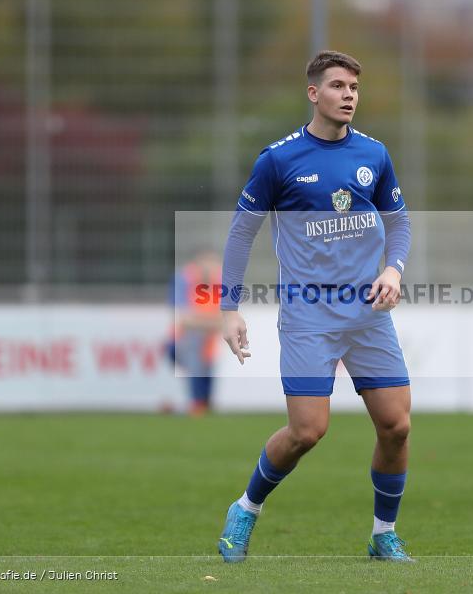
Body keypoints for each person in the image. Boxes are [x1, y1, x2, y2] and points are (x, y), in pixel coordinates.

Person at [216, 50, 414, 562]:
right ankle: (245, 507)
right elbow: (241, 234)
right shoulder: (278, 160)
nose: (349, 95)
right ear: (313, 93)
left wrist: (393, 269)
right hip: (308, 313)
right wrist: (228, 307)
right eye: (338, 86)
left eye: (354, 87)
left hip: (368, 312)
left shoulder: (374, 154)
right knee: (308, 431)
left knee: (396, 425)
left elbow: (399, 223)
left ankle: (383, 534)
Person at [165, 250, 222, 416]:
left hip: (208, 346)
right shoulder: (183, 280)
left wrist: (200, 322)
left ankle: (201, 403)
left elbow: (224, 322)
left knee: (202, 348)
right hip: (181, 342)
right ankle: (196, 403)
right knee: (194, 343)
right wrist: (210, 323)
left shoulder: (219, 284)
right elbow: (183, 319)